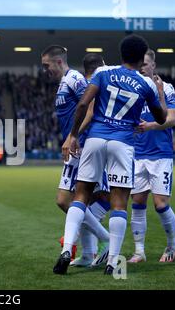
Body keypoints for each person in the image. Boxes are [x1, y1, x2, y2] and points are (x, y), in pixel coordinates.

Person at [53, 34, 167, 275]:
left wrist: (73, 134)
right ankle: (113, 260)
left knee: (81, 194)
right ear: (140, 58)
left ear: (122, 53)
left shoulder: (104, 73)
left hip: (94, 139)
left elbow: (84, 104)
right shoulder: (145, 84)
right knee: (119, 202)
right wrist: (159, 91)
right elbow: (161, 118)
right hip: (122, 143)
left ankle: (67, 250)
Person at [41, 46, 110, 265]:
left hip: (81, 147)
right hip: (75, 147)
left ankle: (105, 238)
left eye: (46, 65)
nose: (45, 70)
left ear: (59, 62)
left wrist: (73, 135)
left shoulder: (74, 79)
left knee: (64, 200)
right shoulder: (64, 83)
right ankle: (89, 255)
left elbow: (90, 107)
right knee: (82, 203)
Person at [128, 49, 175, 263]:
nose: (142, 67)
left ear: (153, 65)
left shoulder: (166, 88)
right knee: (137, 202)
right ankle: (139, 251)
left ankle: (172, 244)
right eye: (140, 64)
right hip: (137, 155)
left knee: (160, 204)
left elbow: (172, 119)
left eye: (146, 64)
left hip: (160, 155)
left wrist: (149, 125)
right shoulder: (133, 89)